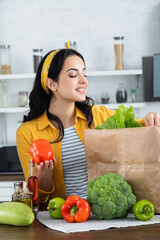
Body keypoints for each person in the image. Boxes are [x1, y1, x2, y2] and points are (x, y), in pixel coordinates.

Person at [16, 48, 160, 204]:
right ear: (51, 83)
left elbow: (139, 127)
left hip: (106, 214)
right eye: (73, 75)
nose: (84, 81)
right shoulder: (27, 133)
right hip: (65, 218)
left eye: (84, 74)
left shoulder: (99, 115)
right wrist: (45, 176)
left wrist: (150, 119)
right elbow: (37, 200)